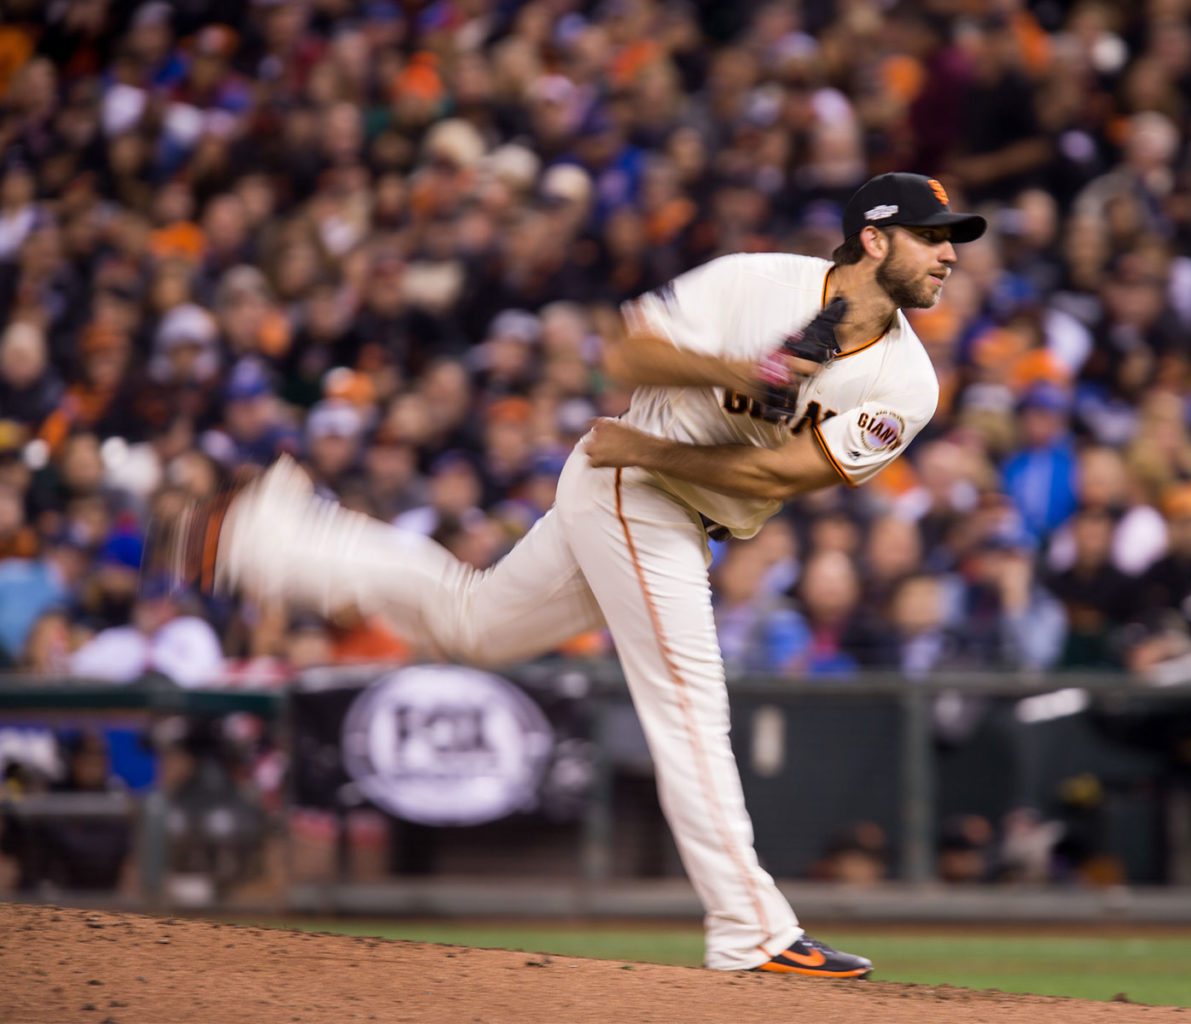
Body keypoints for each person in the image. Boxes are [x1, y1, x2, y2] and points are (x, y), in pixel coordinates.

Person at [151, 173, 986, 977]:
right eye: (932, 237)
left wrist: (653, 447)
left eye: (953, 242)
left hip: (657, 484)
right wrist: (745, 374)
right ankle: (750, 931)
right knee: (690, 704)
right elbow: (629, 352)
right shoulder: (758, 281)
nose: (948, 255)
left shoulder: (907, 382)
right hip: (633, 496)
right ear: (872, 239)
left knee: (471, 624)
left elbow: (777, 478)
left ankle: (265, 536)